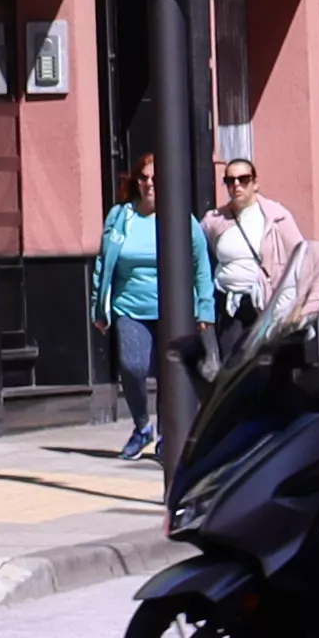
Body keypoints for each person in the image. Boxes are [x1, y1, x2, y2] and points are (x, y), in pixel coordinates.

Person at [89, 147, 201, 462]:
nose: (149, 183)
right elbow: (102, 262)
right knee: (133, 365)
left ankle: (168, 434)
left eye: (156, 178)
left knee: (171, 375)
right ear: (136, 182)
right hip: (130, 307)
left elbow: (200, 262)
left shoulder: (181, 218)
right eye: (144, 177)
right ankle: (141, 427)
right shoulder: (121, 216)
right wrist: (99, 306)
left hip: (173, 310)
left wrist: (203, 308)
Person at [208, 133, 319, 337]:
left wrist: (300, 306)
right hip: (230, 306)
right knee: (234, 363)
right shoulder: (215, 220)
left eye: (243, 179)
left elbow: (302, 260)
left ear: (255, 183)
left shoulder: (276, 217)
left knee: (267, 365)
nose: (236, 185)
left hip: (268, 305)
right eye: (230, 180)